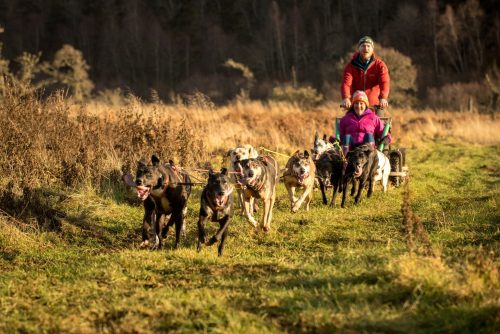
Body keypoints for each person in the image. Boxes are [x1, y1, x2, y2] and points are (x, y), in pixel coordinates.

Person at [341, 36, 390, 116]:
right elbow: (346, 84)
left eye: (368, 46)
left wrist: (383, 98)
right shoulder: (350, 66)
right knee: (349, 125)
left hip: (375, 105)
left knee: (380, 126)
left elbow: (384, 82)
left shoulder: (380, 65)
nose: (365, 48)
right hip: (356, 104)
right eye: (363, 46)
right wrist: (346, 98)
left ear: (372, 49)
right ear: (359, 48)